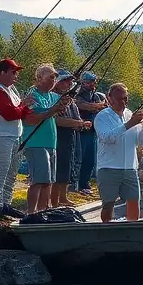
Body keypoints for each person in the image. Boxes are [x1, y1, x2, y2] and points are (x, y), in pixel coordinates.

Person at [0, 58, 34, 219]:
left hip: (14, 136)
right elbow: (9, 114)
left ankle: (6, 203)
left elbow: (18, 112)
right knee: (0, 171)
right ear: (2, 73)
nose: (16, 76)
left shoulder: (10, 89)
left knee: (11, 173)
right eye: (13, 72)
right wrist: (24, 105)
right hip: (1, 137)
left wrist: (25, 108)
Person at [94, 83, 143, 222]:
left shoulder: (130, 114)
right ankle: (107, 231)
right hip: (109, 167)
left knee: (134, 202)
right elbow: (107, 138)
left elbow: (141, 142)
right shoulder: (102, 117)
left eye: (125, 98)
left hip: (130, 167)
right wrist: (129, 124)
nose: (123, 102)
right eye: (120, 98)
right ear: (109, 98)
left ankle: (132, 231)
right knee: (108, 204)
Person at [19, 63, 70, 215]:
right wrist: (53, 109)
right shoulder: (32, 96)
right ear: (39, 78)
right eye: (51, 77)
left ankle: (43, 212)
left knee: (48, 181)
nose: (53, 80)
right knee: (38, 180)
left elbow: (57, 112)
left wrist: (62, 106)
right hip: (35, 142)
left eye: (55, 77)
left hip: (51, 142)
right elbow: (32, 118)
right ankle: (31, 212)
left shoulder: (54, 96)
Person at [51, 70, 91, 208]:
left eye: (69, 81)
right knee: (58, 169)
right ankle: (54, 201)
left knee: (67, 167)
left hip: (70, 137)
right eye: (65, 81)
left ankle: (63, 197)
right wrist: (79, 123)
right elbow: (58, 121)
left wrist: (81, 124)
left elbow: (76, 118)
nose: (69, 84)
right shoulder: (54, 98)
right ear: (57, 83)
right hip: (58, 136)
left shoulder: (70, 100)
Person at [75, 71, 107, 195]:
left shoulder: (96, 95)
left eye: (93, 82)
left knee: (90, 159)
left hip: (93, 131)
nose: (91, 84)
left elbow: (103, 108)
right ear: (83, 82)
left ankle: (85, 182)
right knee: (79, 158)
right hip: (81, 130)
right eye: (88, 82)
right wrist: (97, 106)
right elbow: (82, 105)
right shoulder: (78, 93)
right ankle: (76, 183)